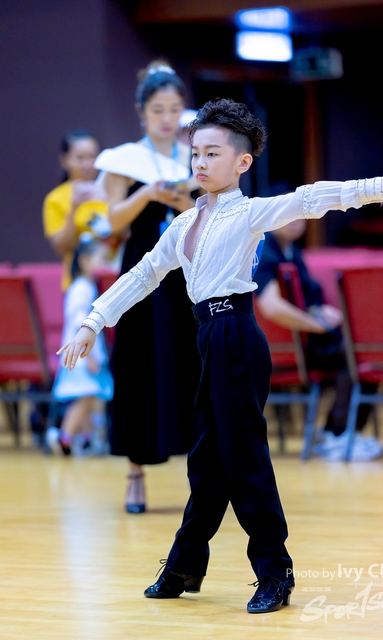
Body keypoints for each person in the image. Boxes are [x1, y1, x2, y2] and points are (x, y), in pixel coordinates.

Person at [57, 97, 383, 614]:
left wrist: (379, 187)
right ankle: (184, 564)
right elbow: (142, 274)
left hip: (236, 336)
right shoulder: (183, 225)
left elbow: (310, 199)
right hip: (206, 338)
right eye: (196, 154)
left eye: (212, 153)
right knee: (207, 462)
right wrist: (92, 321)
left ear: (242, 162)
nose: (200, 163)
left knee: (244, 458)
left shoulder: (250, 212)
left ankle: (275, 573)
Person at [92, 59, 200, 514]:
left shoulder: (196, 153)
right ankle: (135, 475)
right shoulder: (124, 159)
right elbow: (112, 220)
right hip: (142, 265)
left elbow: (209, 211)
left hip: (188, 267)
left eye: (174, 109)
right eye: (158, 110)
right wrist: (147, 194)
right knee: (139, 363)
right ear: (141, 111)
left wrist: (181, 199)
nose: (167, 118)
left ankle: (203, 477)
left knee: (193, 362)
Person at [253, 217, 383, 460]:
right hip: (283, 348)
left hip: (305, 340)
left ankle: (337, 433)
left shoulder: (291, 250)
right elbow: (271, 307)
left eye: (298, 214)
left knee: (363, 352)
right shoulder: (263, 251)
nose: (295, 221)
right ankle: (337, 435)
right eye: (287, 214)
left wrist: (319, 311)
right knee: (354, 355)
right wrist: (315, 325)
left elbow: (302, 297)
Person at [46, 234, 114, 456]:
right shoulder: (82, 288)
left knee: (89, 397)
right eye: (102, 259)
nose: (105, 264)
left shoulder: (86, 286)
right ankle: (65, 436)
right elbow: (79, 321)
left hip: (85, 354)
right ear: (85, 260)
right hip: (83, 356)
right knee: (85, 397)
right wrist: (90, 356)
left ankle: (86, 438)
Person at [42, 129, 119, 291]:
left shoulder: (111, 191)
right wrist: (74, 207)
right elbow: (61, 247)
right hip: (78, 283)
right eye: (80, 158)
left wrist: (108, 200)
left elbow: (124, 234)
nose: (87, 164)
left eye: (92, 157)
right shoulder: (55, 199)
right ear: (64, 160)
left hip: (115, 281)